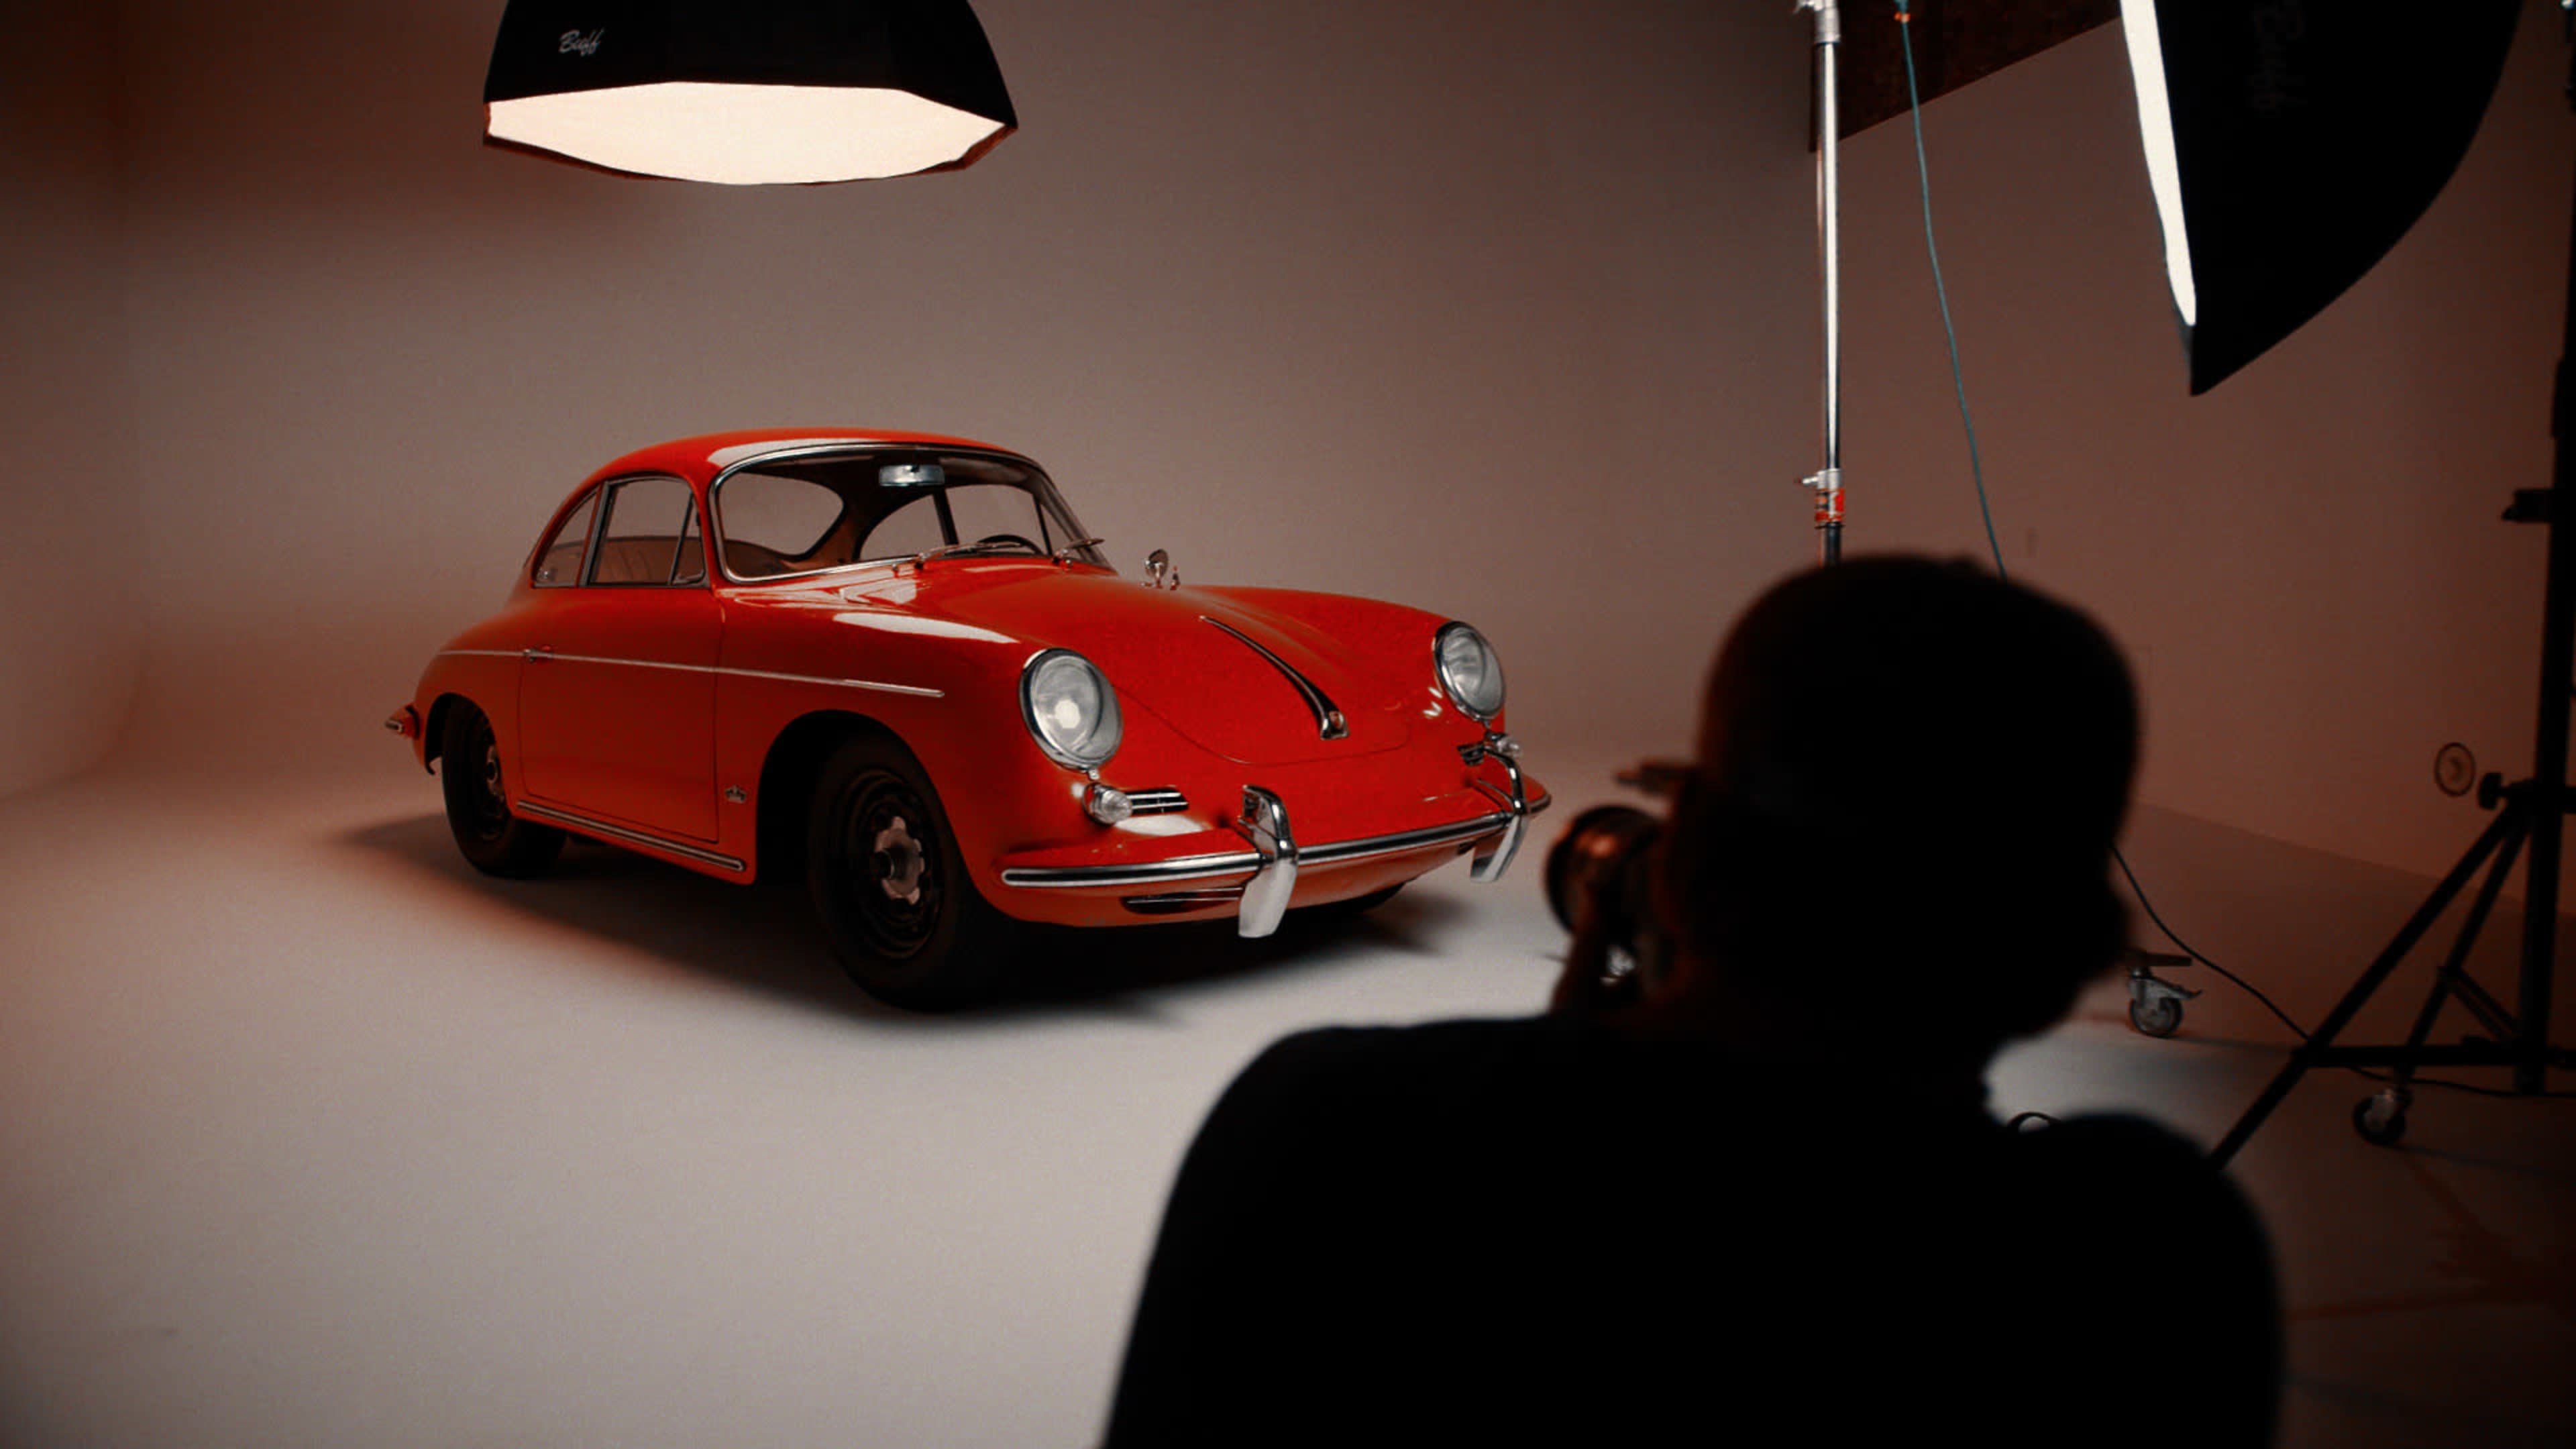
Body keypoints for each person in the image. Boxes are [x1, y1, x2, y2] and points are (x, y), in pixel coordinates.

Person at [1099, 555, 2281, 1447]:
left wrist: (1565, 1076)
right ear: (2059, 959)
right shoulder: (2158, 1260)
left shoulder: (1329, 1131)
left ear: (1687, 860)